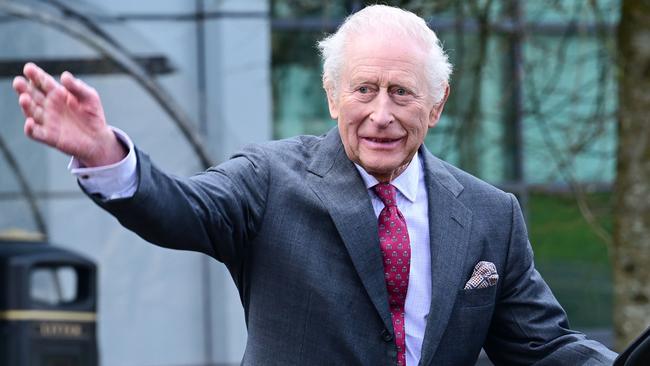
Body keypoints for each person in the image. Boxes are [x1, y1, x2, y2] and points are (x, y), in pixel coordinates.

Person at [12, 5, 616, 366]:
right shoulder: (268, 180)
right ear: (332, 95)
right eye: (363, 89)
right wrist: (107, 156)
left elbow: (545, 350)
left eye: (402, 92)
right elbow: (181, 209)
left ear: (436, 105)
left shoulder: (491, 215)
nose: (381, 113)